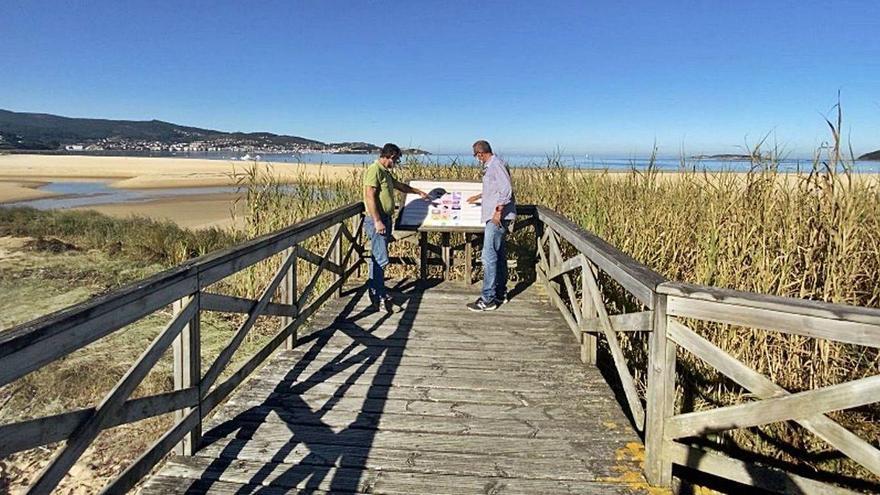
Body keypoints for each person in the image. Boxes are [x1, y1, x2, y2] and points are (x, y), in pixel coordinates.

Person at [363, 143, 429, 311]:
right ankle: (380, 296)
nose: (397, 162)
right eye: (397, 159)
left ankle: (375, 294)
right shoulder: (374, 170)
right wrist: (377, 220)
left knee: (377, 258)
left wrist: (418, 191)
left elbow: (400, 186)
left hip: (385, 219)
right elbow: (369, 196)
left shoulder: (385, 173)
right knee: (381, 259)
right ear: (391, 156)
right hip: (378, 221)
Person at [466, 140, 515, 312]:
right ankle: (500, 292)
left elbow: (506, 190)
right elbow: (495, 188)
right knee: (499, 255)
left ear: (480, 153)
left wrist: (497, 212)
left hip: (497, 218)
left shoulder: (496, 164)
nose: (477, 159)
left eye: (476, 155)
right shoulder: (494, 165)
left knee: (488, 257)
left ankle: (488, 299)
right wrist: (479, 196)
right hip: (496, 217)